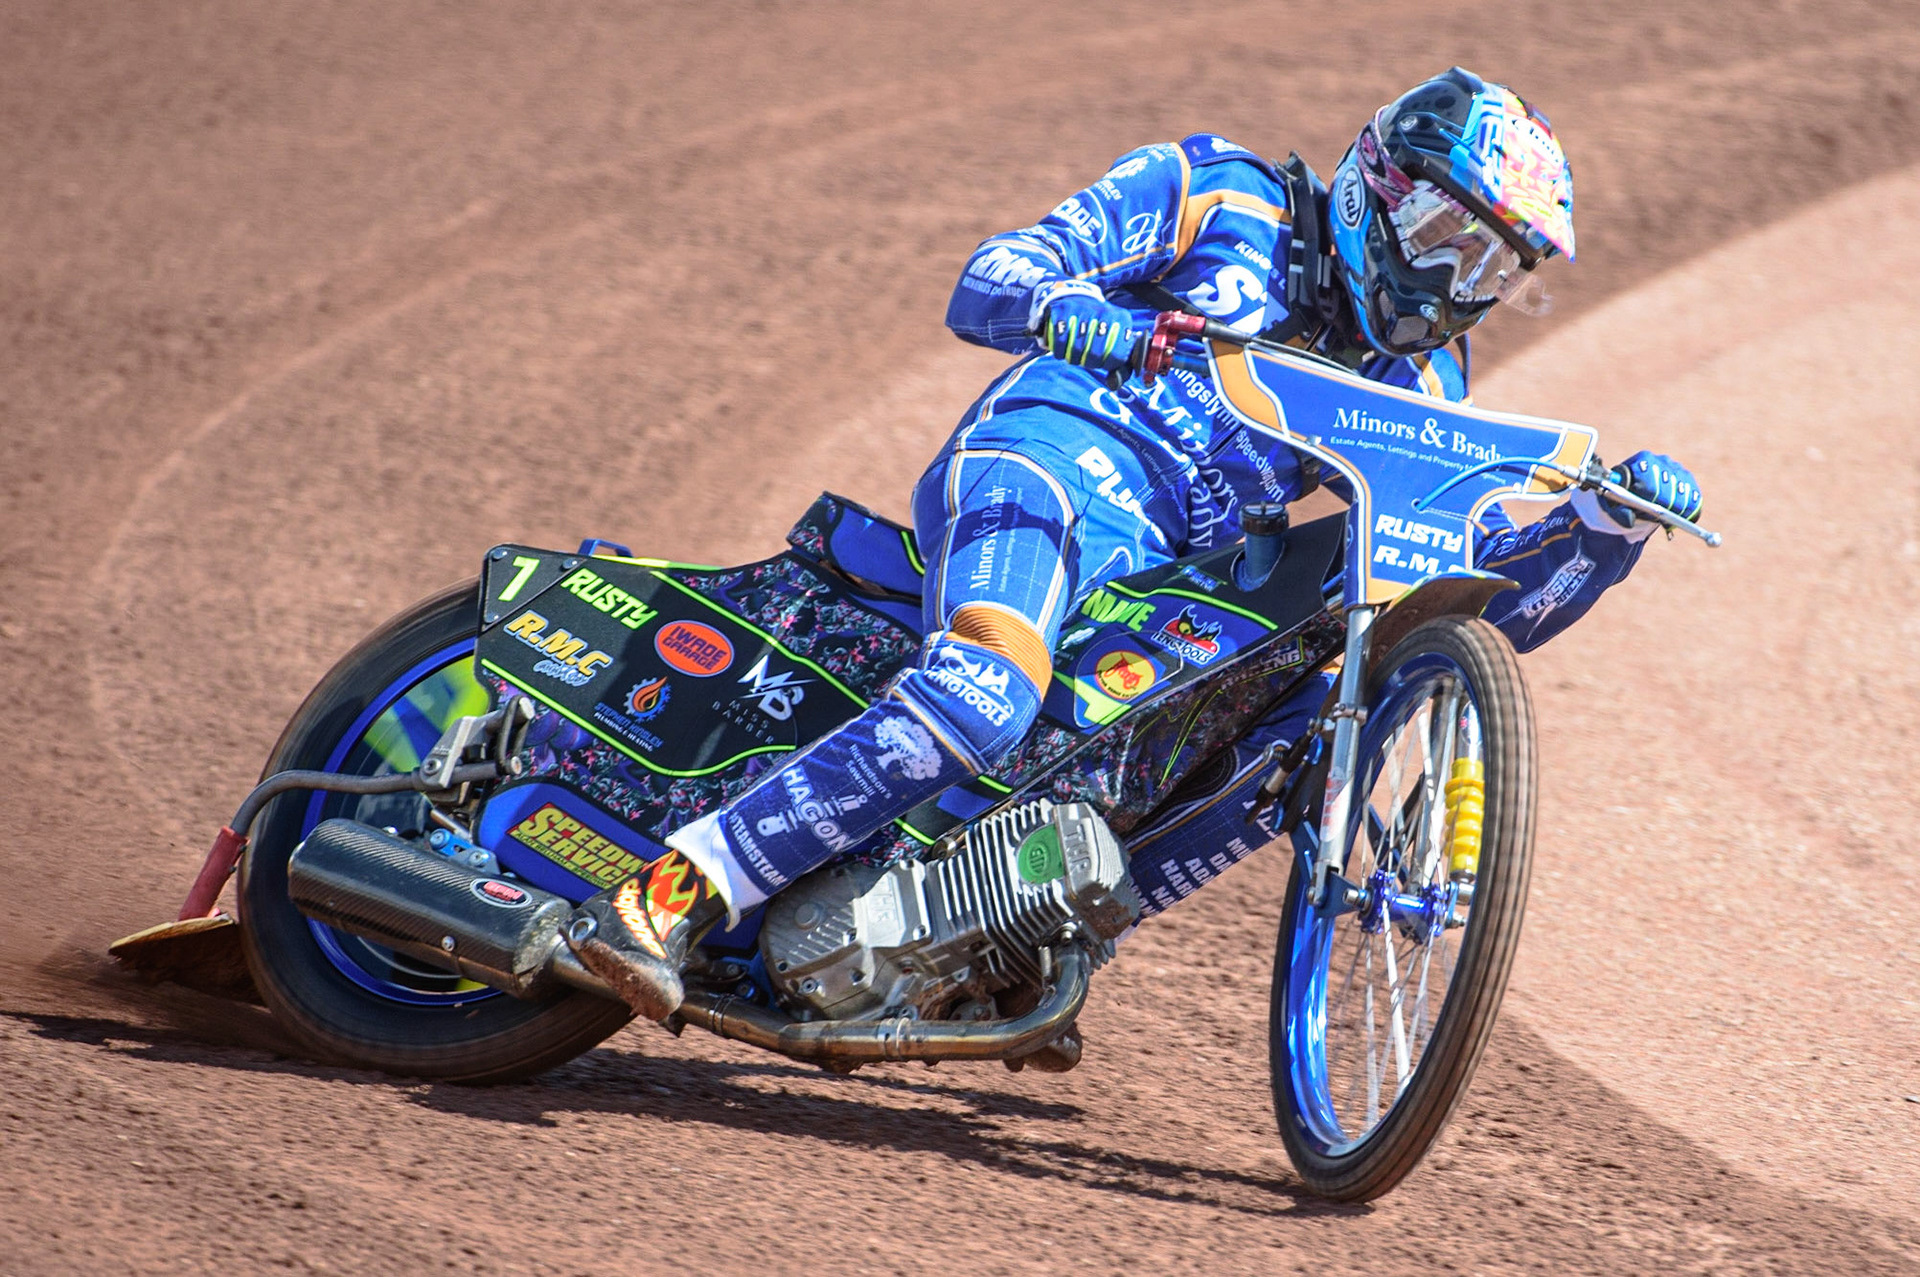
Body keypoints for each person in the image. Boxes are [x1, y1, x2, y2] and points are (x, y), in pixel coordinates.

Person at [565, 67, 1704, 1021]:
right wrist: (1087, 317)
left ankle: (987, 936)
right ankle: (666, 893)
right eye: (1446, 235)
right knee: (982, 691)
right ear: (1377, 182)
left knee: (1270, 726)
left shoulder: (1425, 381)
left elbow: (1440, 607)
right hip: (1042, 467)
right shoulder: (1220, 190)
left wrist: (1595, 535)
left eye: (1494, 269)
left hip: (1158, 586)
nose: (1457, 284)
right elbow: (988, 280)